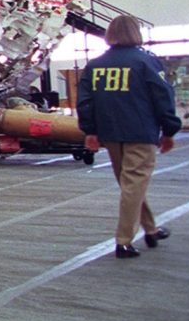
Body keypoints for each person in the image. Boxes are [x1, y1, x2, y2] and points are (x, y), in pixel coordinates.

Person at [77, 14, 182, 259]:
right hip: (140, 132)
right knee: (133, 184)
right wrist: (169, 130)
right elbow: (163, 98)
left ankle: (151, 229)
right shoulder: (146, 63)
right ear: (136, 33)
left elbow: (85, 102)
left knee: (130, 185)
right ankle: (123, 241)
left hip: (111, 133)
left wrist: (90, 131)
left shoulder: (94, 66)